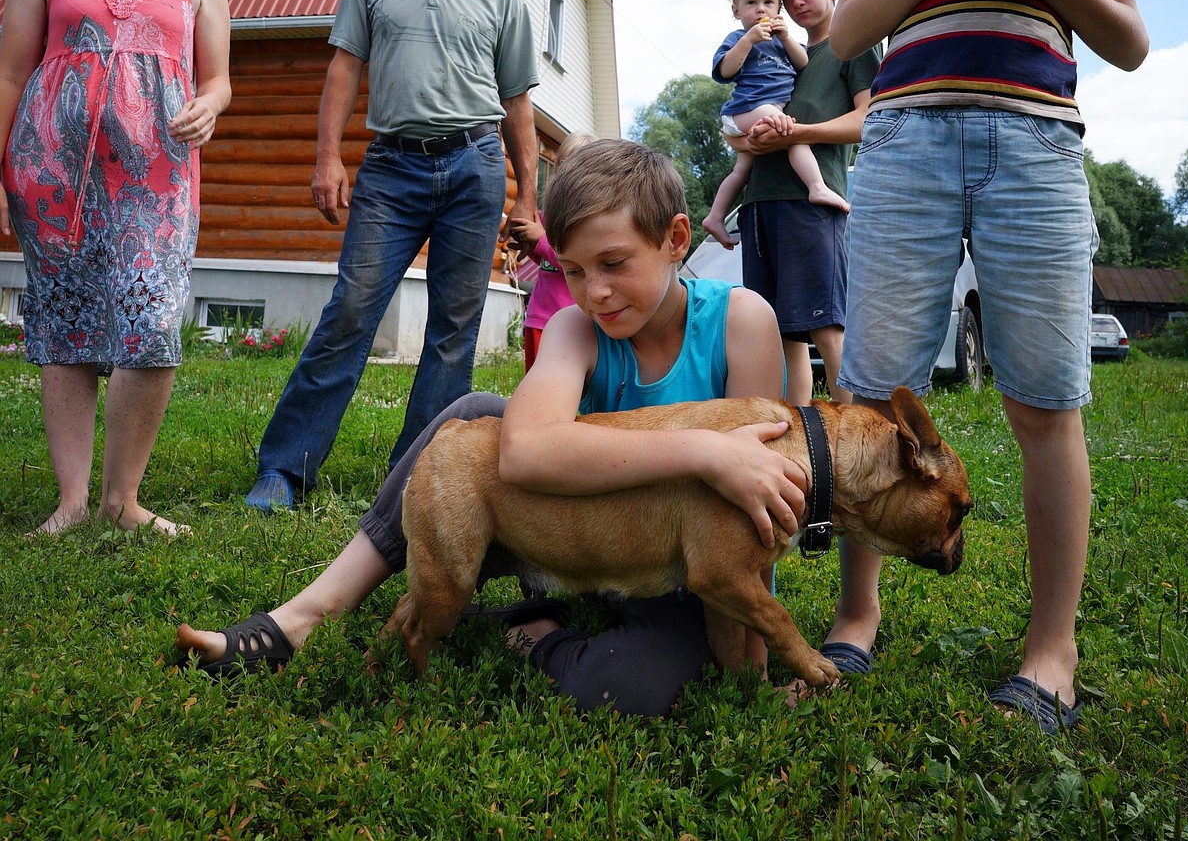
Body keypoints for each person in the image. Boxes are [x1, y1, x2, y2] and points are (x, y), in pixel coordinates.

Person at [178, 139, 812, 718]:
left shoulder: (740, 321)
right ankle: (306, 614)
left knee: (629, 690)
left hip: (675, 568)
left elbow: (753, 512)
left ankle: (529, 629)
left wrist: (749, 665)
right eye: (572, 270)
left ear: (677, 238)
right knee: (474, 418)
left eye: (614, 262)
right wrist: (704, 451)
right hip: (568, 534)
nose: (595, 292)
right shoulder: (576, 328)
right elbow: (526, 453)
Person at [823, 0, 1149, 733]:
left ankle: (1050, 647)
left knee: (1045, 399)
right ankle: (857, 616)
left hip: (1036, 150)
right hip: (908, 143)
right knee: (874, 391)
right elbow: (848, 31)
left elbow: (1131, 45)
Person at [244, 0, 540, 512]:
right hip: (390, 168)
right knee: (350, 312)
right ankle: (284, 472)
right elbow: (344, 69)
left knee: (454, 330)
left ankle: (416, 477)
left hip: (475, 166)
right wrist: (327, 157)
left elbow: (518, 102)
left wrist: (531, 198)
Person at [0, 0, 232, 536]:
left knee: (153, 319)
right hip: (53, 171)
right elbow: (11, 74)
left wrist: (210, 107)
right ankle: (71, 501)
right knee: (66, 319)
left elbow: (219, 80)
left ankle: (122, 500)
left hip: (156, 174)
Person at [737, 0, 881, 416]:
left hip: (813, 205)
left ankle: (859, 438)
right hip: (760, 200)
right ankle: (798, 436)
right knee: (781, 334)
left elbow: (868, 121)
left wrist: (797, 134)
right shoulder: (776, 50)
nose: (798, 2)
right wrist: (748, 143)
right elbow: (749, 117)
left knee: (825, 326)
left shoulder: (852, 45)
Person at [701, 0, 849, 248]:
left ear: (778, 8)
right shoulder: (737, 37)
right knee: (791, 134)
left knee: (741, 170)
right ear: (736, 10)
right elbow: (724, 70)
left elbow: (803, 62)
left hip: (763, 111)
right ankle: (817, 187)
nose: (760, 10)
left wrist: (786, 37)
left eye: (768, 3)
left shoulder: (781, 40)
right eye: (751, 3)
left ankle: (715, 216)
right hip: (747, 107)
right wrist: (748, 40)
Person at [505, 130, 596, 371]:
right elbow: (545, 261)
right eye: (564, 170)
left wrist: (541, 239)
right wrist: (528, 240)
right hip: (540, 317)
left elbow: (575, 261)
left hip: (571, 320)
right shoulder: (549, 217)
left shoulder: (590, 224)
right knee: (535, 380)